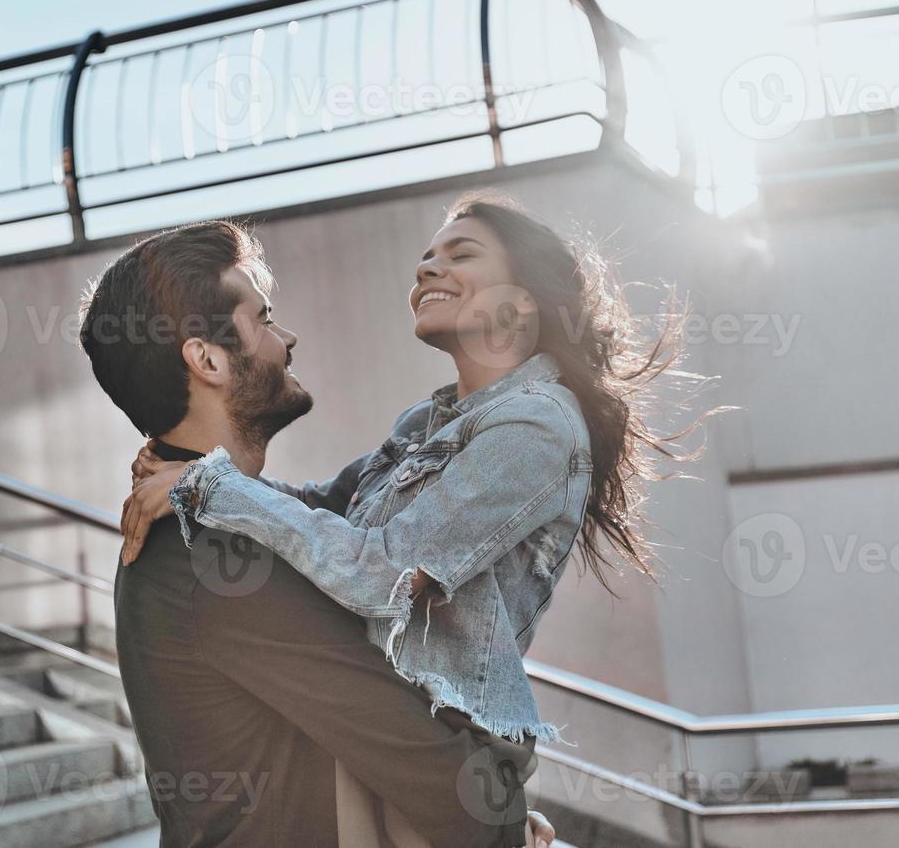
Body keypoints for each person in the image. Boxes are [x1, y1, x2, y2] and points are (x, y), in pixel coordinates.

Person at [124, 192, 699, 753]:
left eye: (460, 254)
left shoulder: (538, 427)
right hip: (385, 731)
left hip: (448, 745)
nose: (428, 267)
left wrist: (210, 488)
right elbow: (324, 507)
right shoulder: (427, 420)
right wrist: (185, 466)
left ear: (522, 301)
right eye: (427, 257)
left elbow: (385, 572)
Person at [78, 219, 555, 847]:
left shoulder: (221, 521)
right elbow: (410, 743)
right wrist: (504, 825)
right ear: (208, 359)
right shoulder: (215, 559)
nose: (287, 337)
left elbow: (357, 496)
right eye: (265, 318)